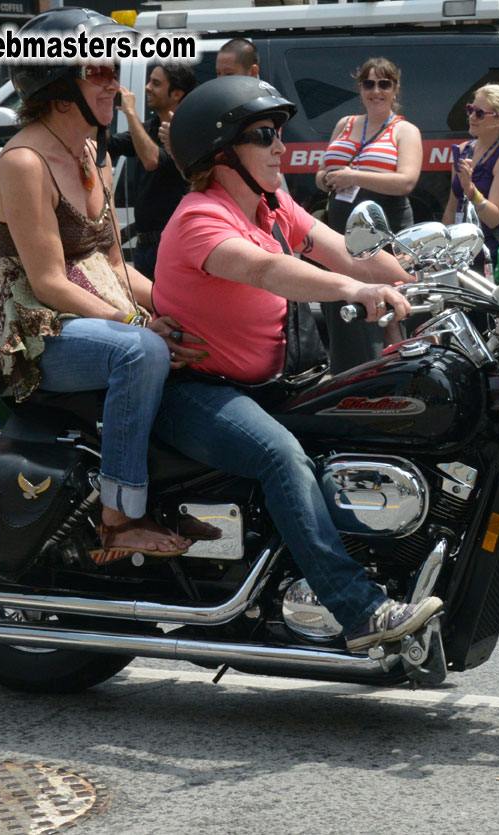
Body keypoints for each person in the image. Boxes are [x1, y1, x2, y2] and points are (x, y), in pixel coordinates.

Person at [153, 75, 442, 652]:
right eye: (263, 135)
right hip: (196, 392)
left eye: (278, 133)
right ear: (219, 154)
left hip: (267, 384)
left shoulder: (270, 204)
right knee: (280, 456)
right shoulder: (198, 218)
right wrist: (350, 291)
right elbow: (265, 271)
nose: (281, 146)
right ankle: (361, 612)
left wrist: (432, 281)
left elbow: (345, 250)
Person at [0, 7, 195, 561]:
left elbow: (115, 267)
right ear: (56, 87)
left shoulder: (90, 153)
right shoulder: (25, 162)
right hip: (35, 334)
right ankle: (120, 517)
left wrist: (186, 307)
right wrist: (138, 322)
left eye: (111, 69)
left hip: (93, 316)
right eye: (97, 72)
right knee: (142, 352)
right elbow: (50, 282)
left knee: (195, 333)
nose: (113, 80)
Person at [315, 57, 420, 372]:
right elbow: (322, 171)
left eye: (384, 84)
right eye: (369, 83)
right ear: (360, 88)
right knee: (344, 302)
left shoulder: (405, 130)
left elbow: (407, 181)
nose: (376, 91)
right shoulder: (345, 124)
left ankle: (395, 374)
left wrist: (355, 177)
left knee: (389, 309)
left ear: (394, 88)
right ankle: (348, 375)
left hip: (385, 229)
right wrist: (327, 179)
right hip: (342, 228)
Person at [107, 61, 196, 279]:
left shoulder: (187, 130)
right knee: (149, 310)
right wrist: (98, 110)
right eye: (149, 82)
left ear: (176, 94)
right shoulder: (149, 128)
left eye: (156, 83)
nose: (147, 87)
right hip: (144, 245)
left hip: (173, 243)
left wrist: (129, 112)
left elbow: (152, 161)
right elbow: (108, 145)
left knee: (172, 309)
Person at [442, 84, 499, 266]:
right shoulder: (463, 150)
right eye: (470, 109)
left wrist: (471, 190)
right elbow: (452, 205)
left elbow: (494, 217)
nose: (471, 116)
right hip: (464, 252)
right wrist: (444, 249)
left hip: (496, 254)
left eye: (479, 113)